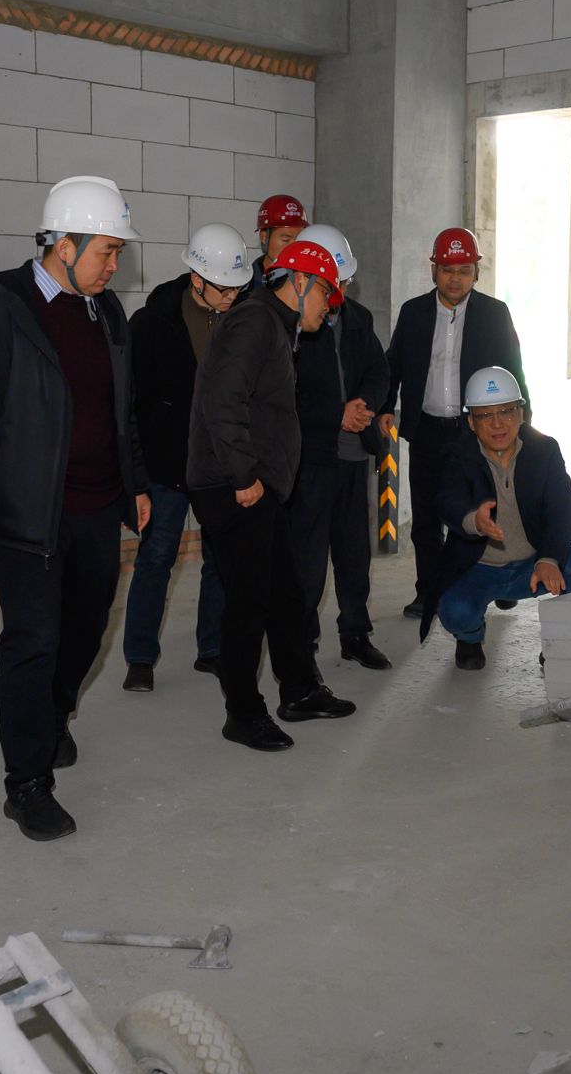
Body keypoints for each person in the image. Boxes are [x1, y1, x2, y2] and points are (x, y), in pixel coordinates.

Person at [0, 176, 152, 842]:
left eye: (117, 253)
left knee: (85, 633)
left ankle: (53, 715)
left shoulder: (107, 313)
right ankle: (27, 785)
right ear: (64, 246)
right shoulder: (3, 314)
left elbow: (123, 412)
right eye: (107, 252)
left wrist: (136, 483)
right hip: (27, 516)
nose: (114, 266)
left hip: (97, 508)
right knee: (33, 643)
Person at [187, 239, 356, 751]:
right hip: (234, 486)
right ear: (300, 282)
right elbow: (222, 403)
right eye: (326, 293)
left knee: (285, 592)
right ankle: (242, 713)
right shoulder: (255, 321)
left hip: (257, 483)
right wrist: (243, 477)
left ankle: (299, 690)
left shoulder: (274, 325)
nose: (329, 307)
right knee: (248, 602)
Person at [119, 224, 249, 692]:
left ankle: (211, 649)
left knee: (219, 559)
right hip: (166, 466)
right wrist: (136, 474)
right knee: (156, 558)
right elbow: (129, 405)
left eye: (237, 287)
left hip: (219, 467)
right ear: (196, 279)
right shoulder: (151, 324)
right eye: (223, 287)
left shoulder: (242, 321)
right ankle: (140, 657)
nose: (232, 296)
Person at [377, 228, 526, 621]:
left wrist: (520, 425)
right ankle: (429, 591)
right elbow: (394, 363)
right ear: (434, 270)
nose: (455, 279)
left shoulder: (494, 314)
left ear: (476, 272)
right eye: (447, 270)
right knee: (426, 520)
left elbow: (513, 370)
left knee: (482, 513)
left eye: (464, 270)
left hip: (475, 434)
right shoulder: (413, 312)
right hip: (426, 431)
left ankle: (494, 583)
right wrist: (384, 405)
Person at [422, 367, 571, 670]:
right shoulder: (457, 454)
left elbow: (563, 508)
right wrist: (473, 521)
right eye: (485, 415)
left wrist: (549, 558)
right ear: (471, 422)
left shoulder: (544, 450)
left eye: (506, 412)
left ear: (520, 414)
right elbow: (447, 499)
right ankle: (470, 637)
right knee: (453, 610)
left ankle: (562, 643)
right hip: (479, 568)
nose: (497, 424)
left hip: (533, 564)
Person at [284, 224, 390, 671]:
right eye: (333, 283)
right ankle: (301, 645)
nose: (340, 292)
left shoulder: (359, 318)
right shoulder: (289, 325)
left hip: (353, 456)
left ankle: (355, 633)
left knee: (354, 553)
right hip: (310, 459)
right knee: (307, 559)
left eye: (344, 282)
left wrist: (364, 405)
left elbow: (379, 370)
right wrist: (336, 415)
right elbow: (284, 396)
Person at [252, 193, 308, 289]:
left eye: (299, 239)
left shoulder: (307, 283)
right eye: (286, 240)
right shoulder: (245, 285)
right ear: (264, 237)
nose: (293, 246)